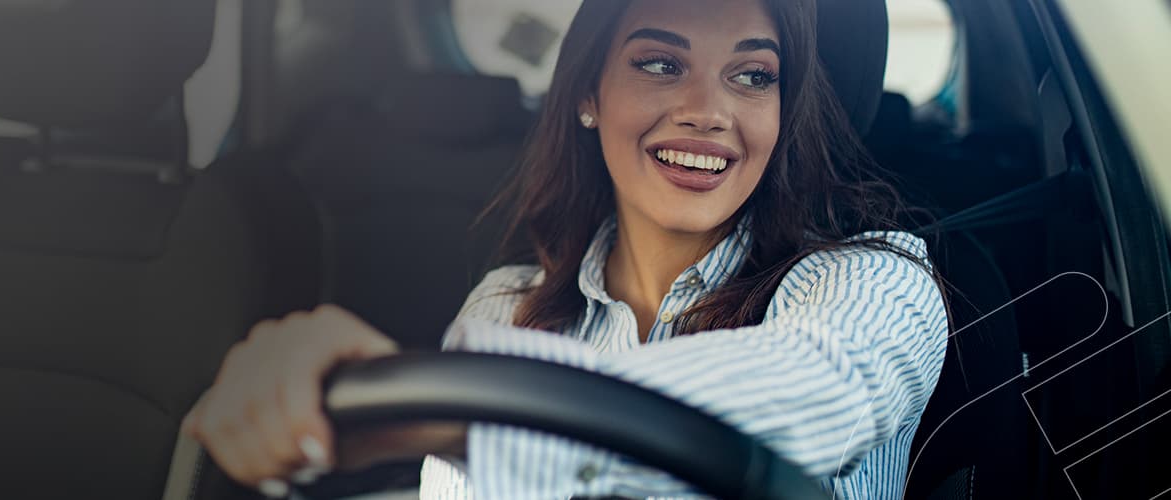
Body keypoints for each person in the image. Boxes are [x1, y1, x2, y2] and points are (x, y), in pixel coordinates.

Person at [182, 0, 949, 497]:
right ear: (589, 94)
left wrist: (464, 410)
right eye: (660, 63)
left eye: (753, 76)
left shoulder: (875, 281)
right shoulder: (508, 307)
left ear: (784, 114)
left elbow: (818, 385)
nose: (708, 111)